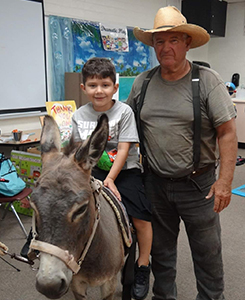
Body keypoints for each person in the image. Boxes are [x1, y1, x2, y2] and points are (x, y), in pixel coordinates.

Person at [126, 6, 237, 300]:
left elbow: (227, 132)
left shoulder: (207, 81)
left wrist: (224, 181)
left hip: (199, 186)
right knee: (161, 254)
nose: (166, 47)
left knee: (207, 254)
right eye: (160, 41)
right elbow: (126, 128)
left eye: (174, 40)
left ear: (187, 43)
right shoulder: (143, 83)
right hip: (155, 184)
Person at [71, 57, 153, 300]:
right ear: (83, 88)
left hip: (124, 171)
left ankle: (142, 265)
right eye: (93, 85)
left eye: (105, 85)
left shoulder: (124, 111)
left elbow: (125, 149)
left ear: (115, 88)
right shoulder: (79, 115)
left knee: (141, 218)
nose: (99, 91)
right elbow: (78, 150)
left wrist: (111, 179)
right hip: (92, 172)